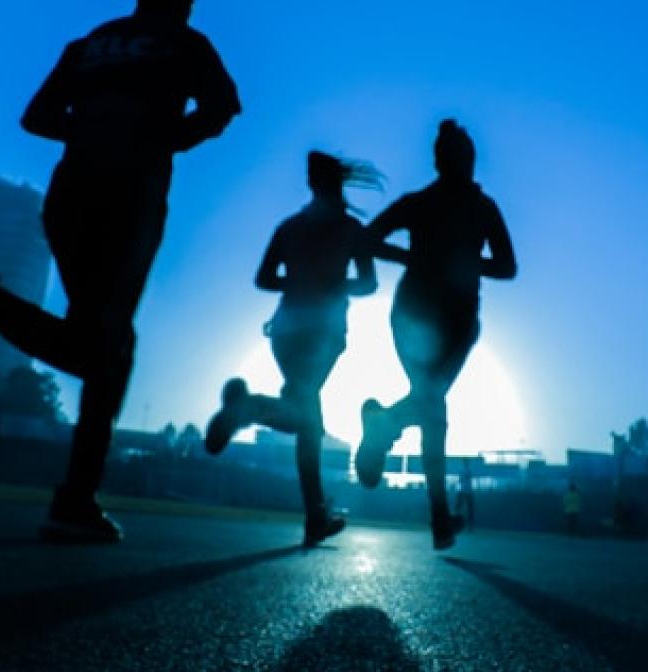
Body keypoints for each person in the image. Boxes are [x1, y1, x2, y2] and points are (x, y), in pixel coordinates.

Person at [0, 0, 240, 543]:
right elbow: (223, 108)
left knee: (95, 343)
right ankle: (75, 498)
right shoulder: (186, 42)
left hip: (70, 192)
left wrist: (90, 130)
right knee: (109, 344)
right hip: (130, 193)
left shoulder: (91, 42)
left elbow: (35, 117)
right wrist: (165, 136)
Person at [354, 119, 518, 550]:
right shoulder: (434, 204)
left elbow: (507, 266)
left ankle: (383, 425)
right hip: (424, 318)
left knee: (431, 406)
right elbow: (367, 240)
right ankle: (439, 518)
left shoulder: (474, 208)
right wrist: (422, 257)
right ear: (450, 161)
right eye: (462, 157)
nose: (466, 164)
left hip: (453, 324)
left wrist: (449, 260)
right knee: (433, 407)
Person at [205, 152, 381, 546]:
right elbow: (369, 285)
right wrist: (334, 285)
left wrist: (298, 282)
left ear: (311, 185)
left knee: (308, 421)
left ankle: (315, 514)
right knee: (308, 422)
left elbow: (264, 278)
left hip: (284, 331)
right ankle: (248, 408)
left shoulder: (289, 228)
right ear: (339, 184)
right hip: (323, 333)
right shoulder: (352, 230)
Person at [454, 458, 476, 530]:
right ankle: (470, 526)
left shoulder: (461, 470)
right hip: (468, 491)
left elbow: (460, 480)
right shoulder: (470, 470)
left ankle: (457, 524)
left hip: (463, 490)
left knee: (458, 508)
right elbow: (469, 480)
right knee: (470, 509)